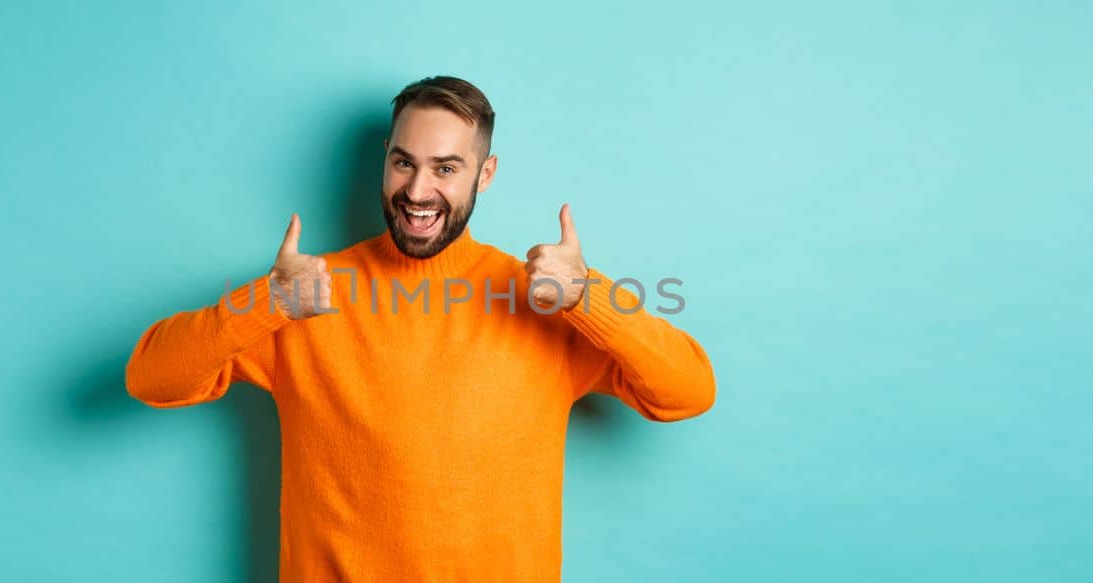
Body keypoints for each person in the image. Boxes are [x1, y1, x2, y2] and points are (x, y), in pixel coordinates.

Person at [125, 75, 716, 581]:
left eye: (446, 168)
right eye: (403, 161)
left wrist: (588, 297)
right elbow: (151, 377)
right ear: (386, 158)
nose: (416, 191)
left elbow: (688, 391)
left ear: (484, 175)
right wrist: (266, 301)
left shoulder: (541, 302)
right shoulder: (305, 295)